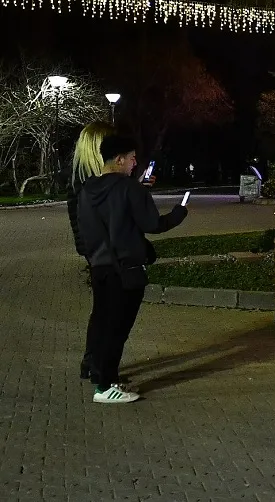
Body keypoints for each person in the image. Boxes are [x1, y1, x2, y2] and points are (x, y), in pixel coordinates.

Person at [77, 135, 187, 403]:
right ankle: (104, 388)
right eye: (132, 157)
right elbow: (153, 224)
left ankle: (104, 376)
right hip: (126, 269)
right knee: (118, 329)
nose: (135, 163)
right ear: (119, 159)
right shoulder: (130, 189)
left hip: (100, 265)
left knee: (104, 323)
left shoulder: (87, 190)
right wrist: (178, 214)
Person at [68, 121, 116, 383]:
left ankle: (92, 362)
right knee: (107, 312)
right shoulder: (89, 185)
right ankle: (99, 369)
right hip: (102, 254)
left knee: (103, 310)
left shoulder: (87, 180)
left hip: (98, 253)